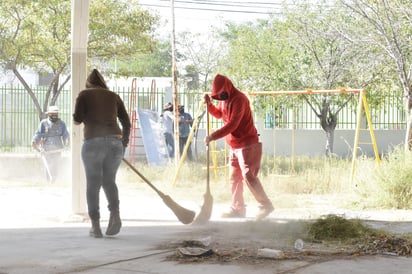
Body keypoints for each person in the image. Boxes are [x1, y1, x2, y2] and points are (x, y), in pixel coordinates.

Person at [204, 74, 274, 220]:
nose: (222, 98)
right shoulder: (224, 100)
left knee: (249, 176)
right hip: (234, 145)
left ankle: (266, 206)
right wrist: (210, 105)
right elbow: (219, 115)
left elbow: (233, 124)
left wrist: (212, 136)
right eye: (219, 96)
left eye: (223, 94)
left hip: (248, 144)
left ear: (228, 87)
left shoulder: (240, 99)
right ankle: (237, 209)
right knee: (234, 177)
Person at [73, 69, 131, 238]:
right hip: (115, 142)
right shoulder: (114, 96)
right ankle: (115, 215)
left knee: (93, 183)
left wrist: (85, 115)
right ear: (103, 83)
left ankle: (95, 226)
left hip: (93, 142)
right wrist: (123, 143)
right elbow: (126, 123)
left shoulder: (84, 95)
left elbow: (77, 119)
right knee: (109, 181)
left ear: (88, 84)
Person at [32, 105, 70, 182]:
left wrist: (67, 142)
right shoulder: (43, 123)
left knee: (55, 165)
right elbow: (38, 134)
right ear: (49, 114)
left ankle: (54, 179)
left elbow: (65, 135)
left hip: (57, 149)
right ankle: (48, 180)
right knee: (48, 165)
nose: (54, 116)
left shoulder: (62, 124)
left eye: (56, 114)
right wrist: (34, 141)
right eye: (53, 114)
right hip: (46, 149)